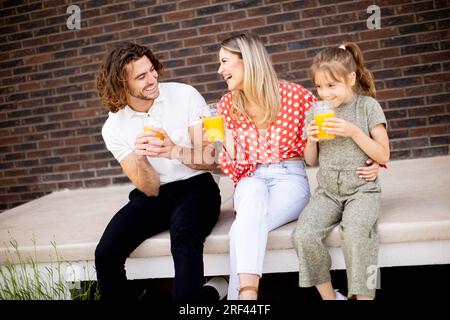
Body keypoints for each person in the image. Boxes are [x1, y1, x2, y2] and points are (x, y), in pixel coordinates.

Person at [215, 34, 381, 300]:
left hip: (289, 180)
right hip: (250, 179)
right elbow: (234, 170)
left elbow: (342, 108)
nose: (220, 69)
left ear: (248, 61)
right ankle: (247, 298)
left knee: (243, 228)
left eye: (225, 61)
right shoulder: (227, 105)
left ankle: (242, 298)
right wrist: (226, 145)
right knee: (251, 189)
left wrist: (372, 155)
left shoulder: (293, 95)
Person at [95, 42, 221, 300]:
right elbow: (148, 188)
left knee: (184, 241)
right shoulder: (113, 127)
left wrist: (173, 150)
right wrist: (141, 158)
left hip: (197, 186)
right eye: (141, 77)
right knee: (106, 252)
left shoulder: (184, 95)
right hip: (154, 195)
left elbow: (211, 159)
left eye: (152, 70)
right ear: (122, 85)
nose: (153, 79)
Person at [292, 42, 390, 300]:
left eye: (331, 85)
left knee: (357, 232)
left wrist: (354, 131)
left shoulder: (367, 107)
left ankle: (365, 295)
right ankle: (330, 296)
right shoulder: (315, 111)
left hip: (361, 189)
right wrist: (310, 140)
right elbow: (311, 161)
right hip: (328, 192)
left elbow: (383, 154)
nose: (324, 93)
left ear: (350, 78)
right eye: (319, 87)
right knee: (303, 234)